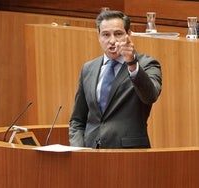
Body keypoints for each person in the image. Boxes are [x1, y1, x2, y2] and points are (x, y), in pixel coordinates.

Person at [69, 10, 162, 149]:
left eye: (118, 34)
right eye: (106, 35)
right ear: (99, 36)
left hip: (128, 154)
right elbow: (77, 120)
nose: (112, 41)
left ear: (128, 35)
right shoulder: (88, 69)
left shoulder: (146, 64)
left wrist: (132, 63)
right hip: (90, 155)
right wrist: (78, 150)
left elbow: (150, 96)